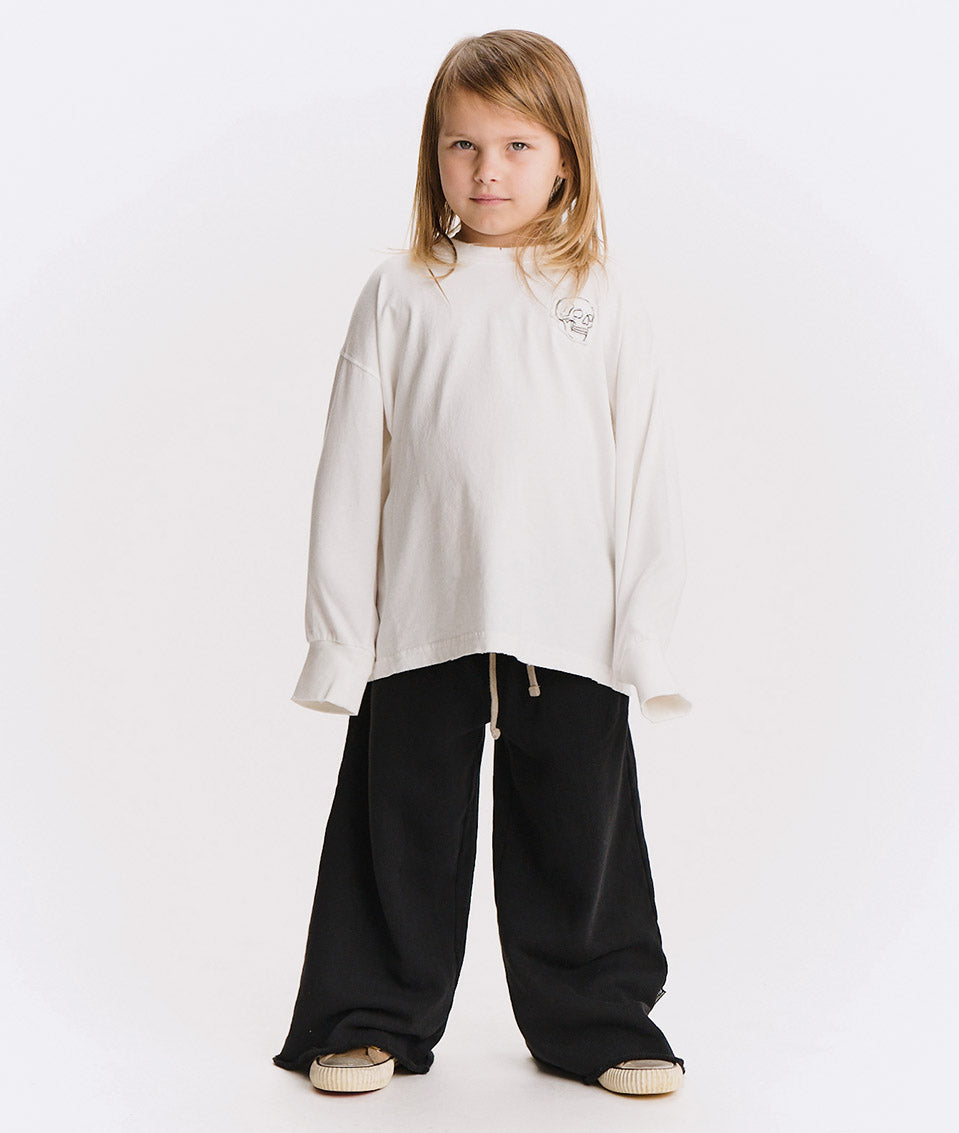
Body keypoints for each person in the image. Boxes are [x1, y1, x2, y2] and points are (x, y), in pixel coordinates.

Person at [272, 28, 692, 1098]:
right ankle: (369, 1014)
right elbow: (347, 474)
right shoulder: (402, 292)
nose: (487, 170)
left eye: (515, 145)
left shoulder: (602, 297)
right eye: (462, 145)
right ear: (434, 156)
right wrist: (340, 643)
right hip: (425, 613)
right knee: (397, 826)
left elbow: (645, 475)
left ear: (566, 160)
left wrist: (643, 637)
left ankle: (597, 1018)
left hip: (569, 621)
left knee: (581, 831)